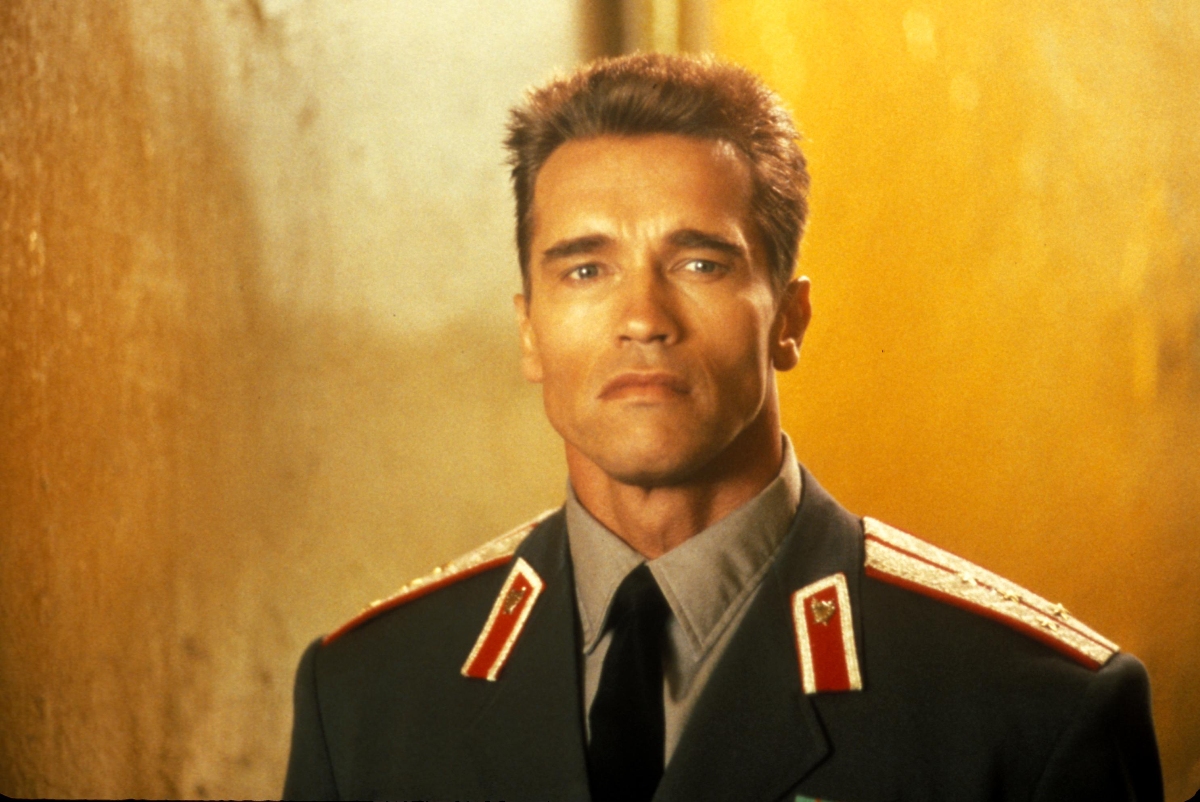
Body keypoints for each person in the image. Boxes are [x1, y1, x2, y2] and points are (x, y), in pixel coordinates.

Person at [282, 53, 1163, 801]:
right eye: (585, 270)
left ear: (789, 320)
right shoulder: (366, 695)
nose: (642, 318)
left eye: (699, 263)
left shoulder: (1030, 709)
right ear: (528, 331)